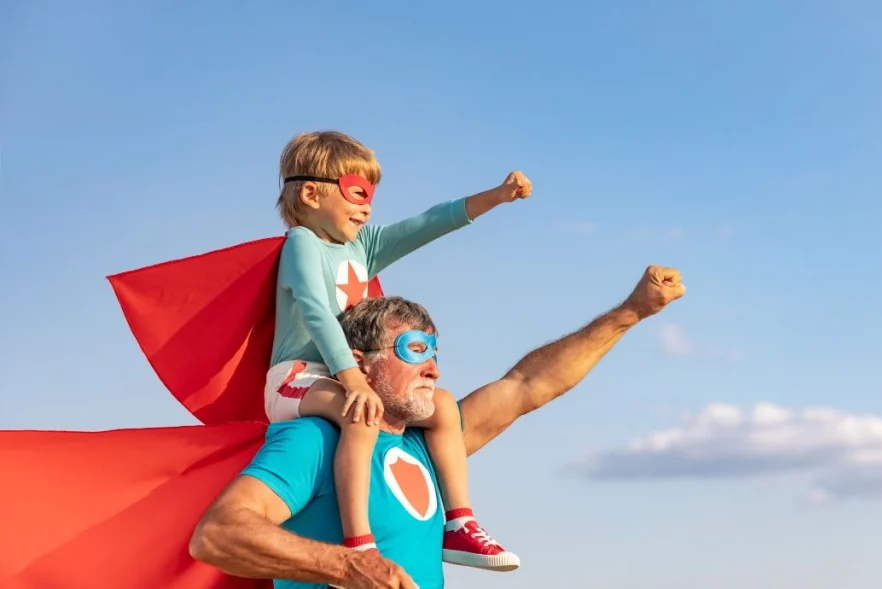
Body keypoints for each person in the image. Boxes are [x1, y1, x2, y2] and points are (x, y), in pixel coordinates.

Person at [189, 265, 687, 589]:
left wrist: (630, 313)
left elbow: (528, 385)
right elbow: (218, 535)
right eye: (414, 352)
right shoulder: (316, 440)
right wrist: (346, 565)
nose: (434, 370)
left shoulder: (428, 448)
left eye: (435, 353)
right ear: (359, 365)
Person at [266, 130, 531, 570]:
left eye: (371, 195)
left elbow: (428, 223)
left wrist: (497, 196)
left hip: (347, 372)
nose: (367, 206)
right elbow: (314, 309)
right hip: (298, 377)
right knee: (362, 412)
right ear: (312, 193)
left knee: (443, 406)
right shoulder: (302, 245)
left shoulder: (363, 246)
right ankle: (359, 543)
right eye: (356, 192)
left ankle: (459, 524)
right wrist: (352, 380)